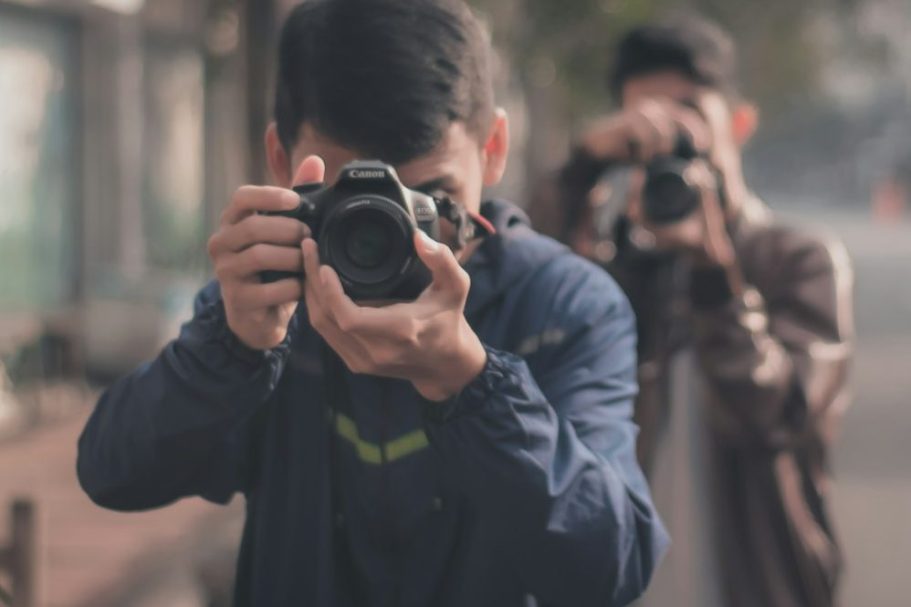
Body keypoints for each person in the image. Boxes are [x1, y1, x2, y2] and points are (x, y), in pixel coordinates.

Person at [76, 1, 668, 605]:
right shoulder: (269, 302)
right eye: (354, 202)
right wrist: (231, 348)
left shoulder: (562, 306)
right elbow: (113, 475)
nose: (399, 239)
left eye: (432, 199)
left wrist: (471, 382)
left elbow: (610, 570)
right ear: (282, 161)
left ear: (492, 148)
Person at [535, 16, 853, 607]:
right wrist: (582, 169)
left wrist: (715, 275)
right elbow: (527, 299)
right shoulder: (621, 269)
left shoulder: (798, 260)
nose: (670, 143)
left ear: (739, 122)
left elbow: (780, 416)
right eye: (644, 127)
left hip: (756, 585)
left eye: (686, 118)